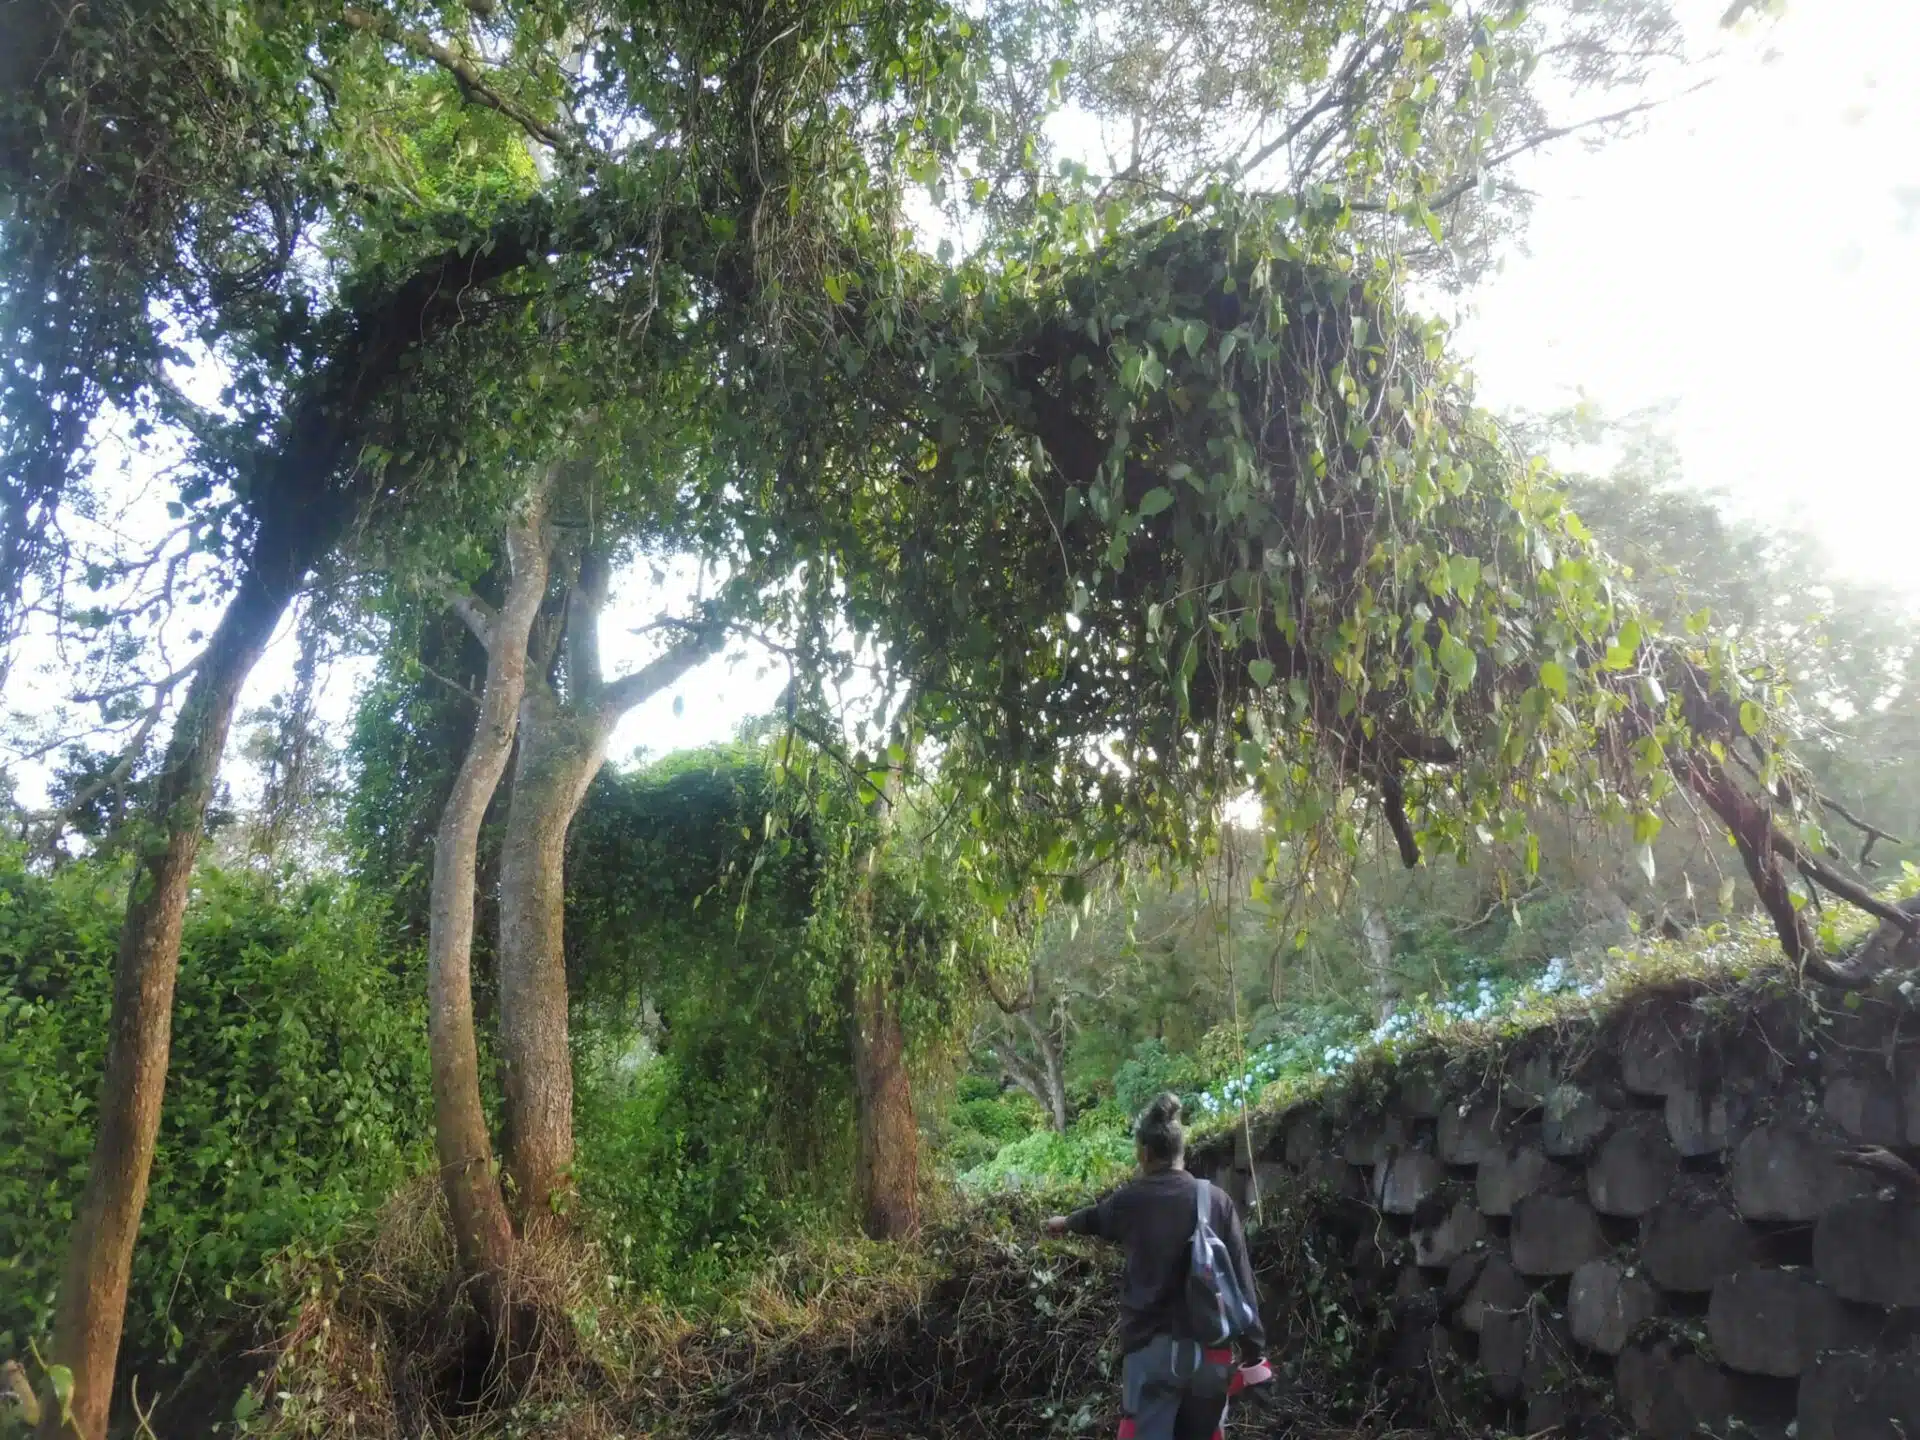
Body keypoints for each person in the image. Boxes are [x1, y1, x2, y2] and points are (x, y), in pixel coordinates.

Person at [1045, 1092, 1271, 1440]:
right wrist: (1254, 1353)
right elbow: (1242, 1283)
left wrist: (1063, 1222)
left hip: (1151, 1358)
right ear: (1182, 1152)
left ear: (1144, 1153)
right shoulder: (1216, 1201)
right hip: (1211, 1355)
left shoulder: (1131, 1200)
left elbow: (1094, 1218)